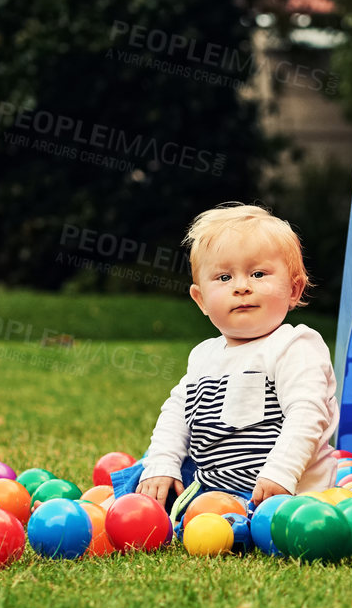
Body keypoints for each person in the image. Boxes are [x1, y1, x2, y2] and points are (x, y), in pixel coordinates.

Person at [134, 204, 337, 520]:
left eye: (258, 274)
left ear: (294, 290)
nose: (242, 286)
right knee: (143, 477)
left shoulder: (293, 346)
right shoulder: (203, 356)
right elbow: (176, 414)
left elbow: (307, 414)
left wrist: (281, 472)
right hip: (210, 489)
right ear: (201, 300)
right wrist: (163, 462)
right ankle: (120, 508)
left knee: (250, 524)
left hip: (281, 493)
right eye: (224, 277)